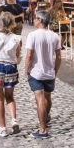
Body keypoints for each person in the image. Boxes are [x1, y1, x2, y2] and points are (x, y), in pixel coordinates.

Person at [25, 9, 61, 139]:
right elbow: (58, 57)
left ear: (40, 20)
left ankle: (42, 130)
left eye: (35, 18)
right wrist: (55, 71)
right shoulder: (55, 36)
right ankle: (45, 118)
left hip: (37, 72)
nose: (33, 20)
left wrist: (26, 71)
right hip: (49, 73)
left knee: (40, 100)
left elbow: (29, 55)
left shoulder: (33, 35)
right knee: (47, 98)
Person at [0, 12, 21, 138]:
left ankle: (3, 128)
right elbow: (17, 54)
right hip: (11, 67)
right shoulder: (16, 38)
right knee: (10, 96)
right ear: (12, 23)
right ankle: (14, 120)